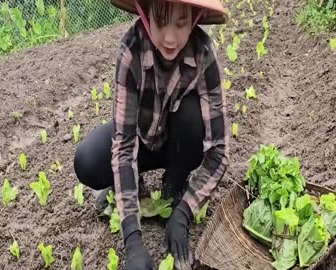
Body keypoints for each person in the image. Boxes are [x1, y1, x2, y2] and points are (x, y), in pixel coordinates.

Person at [73, 0, 229, 269]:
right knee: (86, 161)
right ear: (146, 15)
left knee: (193, 117)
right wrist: (132, 241)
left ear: (195, 18)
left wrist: (185, 211)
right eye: (160, 22)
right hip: (140, 138)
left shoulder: (203, 53)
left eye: (180, 24)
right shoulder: (131, 49)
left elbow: (218, 150)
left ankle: (175, 182)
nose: (170, 37)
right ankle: (127, 185)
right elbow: (123, 145)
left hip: (178, 142)